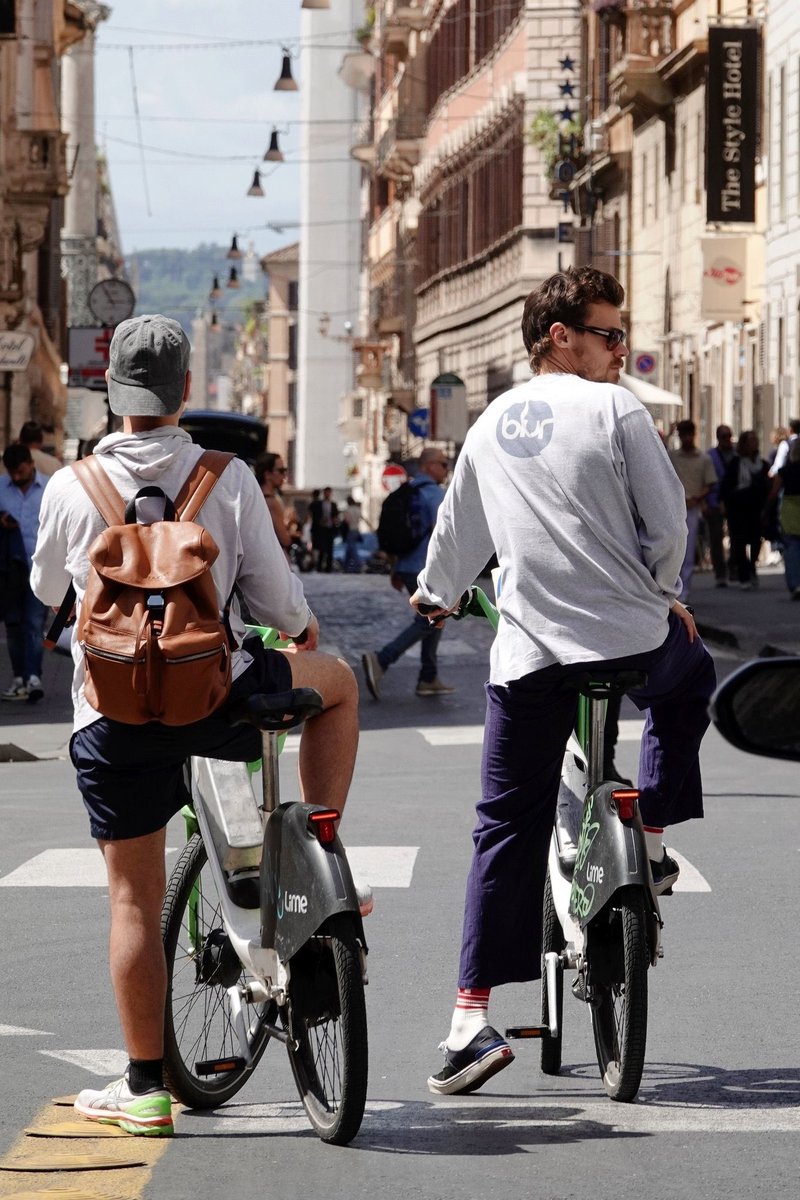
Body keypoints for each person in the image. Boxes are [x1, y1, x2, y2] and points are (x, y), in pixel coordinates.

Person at [31, 314, 363, 1138]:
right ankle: (322, 852)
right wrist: (299, 634)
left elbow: (44, 593)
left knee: (133, 901)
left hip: (111, 720)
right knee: (342, 687)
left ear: (111, 392)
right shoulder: (230, 477)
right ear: (186, 392)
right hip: (220, 702)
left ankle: (146, 1090)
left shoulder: (71, 486)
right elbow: (284, 605)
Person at [409, 267, 716, 1096]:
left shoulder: (487, 425)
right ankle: (648, 842)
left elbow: (455, 537)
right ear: (561, 336)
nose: (623, 351)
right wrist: (662, 597)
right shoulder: (616, 410)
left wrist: (436, 598)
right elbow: (668, 525)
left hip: (533, 658)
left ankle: (470, 1019)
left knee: (503, 827)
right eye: (611, 336)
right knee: (690, 683)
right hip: (630, 641)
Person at [362, 447, 454, 699]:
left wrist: (396, 568)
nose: (446, 470)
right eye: (443, 464)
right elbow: (443, 535)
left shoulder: (408, 491)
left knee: (436, 619)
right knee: (430, 618)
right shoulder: (435, 494)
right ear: (428, 465)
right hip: (425, 568)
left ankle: (428, 677)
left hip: (406, 566)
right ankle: (382, 660)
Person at [0, 444, 49, 702]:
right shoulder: (0, 487)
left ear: (31, 464)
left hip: (39, 571)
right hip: (10, 573)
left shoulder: (49, 489)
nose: (16, 478)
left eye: (20, 471)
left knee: (33, 624)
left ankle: (33, 676)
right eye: (12, 473)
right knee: (13, 625)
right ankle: (19, 677)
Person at [667, 419, 717, 600]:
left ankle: (684, 591)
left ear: (694, 435)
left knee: (687, 551)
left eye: (688, 434)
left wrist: (698, 498)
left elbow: (710, 483)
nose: (686, 439)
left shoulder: (704, 459)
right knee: (672, 548)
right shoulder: (672, 456)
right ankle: (673, 587)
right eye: (683, 435)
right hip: (673, 508)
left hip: (693, 508)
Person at [720, 430, 770, 589]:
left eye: (755, 440)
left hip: (755, 507)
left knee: (756, 539)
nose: (753, 443)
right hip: (738, 507)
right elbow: (726, 486)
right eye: (750, 441)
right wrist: (724, 503)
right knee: (739, 541)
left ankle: (752, 566)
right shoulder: (736, 463)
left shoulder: (762, 465)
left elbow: (766, 487)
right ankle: (744, 574)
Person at [769, 437, 800, 599]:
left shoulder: (786, 470)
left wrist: (766, 509)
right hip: (793, 509)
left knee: (792, 548)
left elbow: (774, 493)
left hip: (790, 510)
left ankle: (795, 583)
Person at [705, 424, 736, 587]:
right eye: (723, 436)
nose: (726, 440)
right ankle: (720, 572)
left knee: (736, 536)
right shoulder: (709, 456)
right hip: (714, 501)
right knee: (716, 537)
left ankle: (732, 566)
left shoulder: (736, 455)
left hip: (733, 501)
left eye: (728, 436)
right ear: (718, 438)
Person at [255, 451, 292, 561]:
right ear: (267, 474)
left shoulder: (256, 497)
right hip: (274, 559)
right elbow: (284, 539)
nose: (284, 475)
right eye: (281, 471)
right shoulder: (271, 502)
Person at [309, 486, 339, 573]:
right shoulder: (318, 504)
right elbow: (313, 514)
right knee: (321, 548)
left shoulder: (333, 505)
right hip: (321, 529)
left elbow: (335, 516)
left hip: (330, 529)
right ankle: (319, 567)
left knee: (330, 549)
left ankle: (328, 568)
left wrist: (335, 522)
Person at [342, 494, 362, 574]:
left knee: (352, 549)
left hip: (350, 531)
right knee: (349, 549)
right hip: (356, 530)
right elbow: (362, 518)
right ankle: (346, 566)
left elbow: (347, 521)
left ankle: (358, 564)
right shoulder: (358, 509)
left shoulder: (348, 510)